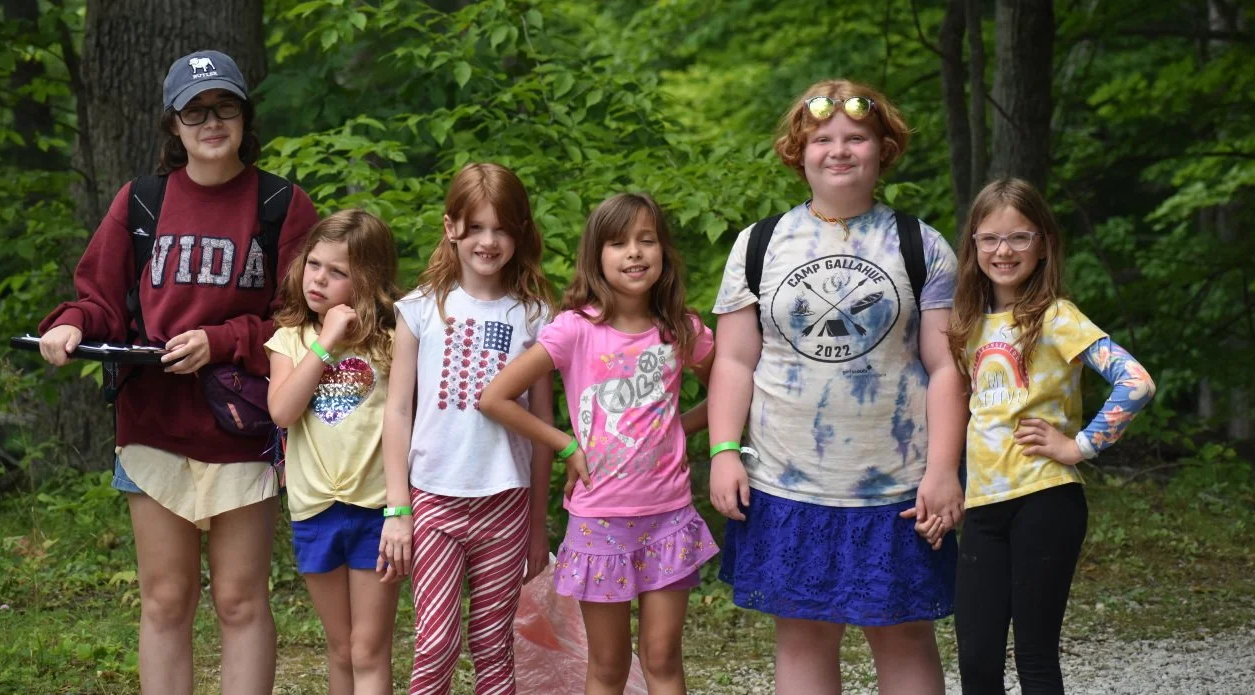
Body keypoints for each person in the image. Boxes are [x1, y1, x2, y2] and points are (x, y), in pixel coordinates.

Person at [37, 50, 319, 695]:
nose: (211, 122)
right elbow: (100, 299)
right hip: (153, 424)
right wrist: (72, 324)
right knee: (166, 599)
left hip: (242, 426)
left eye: (224, 107)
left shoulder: (281, 204)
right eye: (195, 111)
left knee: (241, 600)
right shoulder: (142, 201)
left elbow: (303, 319)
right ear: (173, 124)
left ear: (245, 117)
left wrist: (221, 341)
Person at [707, 80, 965, 695]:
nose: (839, 150)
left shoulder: (922, 245)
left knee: (904, 635)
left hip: (898, 486)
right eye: (822, 139)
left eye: (856, 138)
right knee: (802, 636)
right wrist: (723, 453)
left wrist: (942, 471)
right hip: (786, 482)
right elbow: (734, 362)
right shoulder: (759, 244)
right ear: (799, 152)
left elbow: (948, 368)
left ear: (884, 149)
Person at [479, 192, 718, 695]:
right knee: (608, 667)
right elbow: (495, 398)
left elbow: (730, 393)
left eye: (646, 240)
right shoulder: (574, 330)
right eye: (618, 243)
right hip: (599, 524)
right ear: (596, 256)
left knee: (663, 658)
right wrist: (565, 445)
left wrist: (678, 427)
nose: (634, 252)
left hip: (669, 517)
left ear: (663, 251)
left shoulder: (682, 329)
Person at [946, 178, 1155, 694]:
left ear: (1043, 245)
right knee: (976, 660)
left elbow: (1136, 382)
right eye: (990, 238)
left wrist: (1079, 446)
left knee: (1035, 656)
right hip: (982, 506)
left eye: (1019, 237)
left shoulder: (1057, 317)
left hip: (1045, 500)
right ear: (973, 245)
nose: (1003, 251)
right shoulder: (965, 323)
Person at [377, 162, 556, 695]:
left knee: (494, 644)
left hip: (506, 502)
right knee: (435, 644)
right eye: (475, 227)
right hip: (433, 500)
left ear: (520, 233)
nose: (488, 241)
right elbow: (397, 411)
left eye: (501, 228)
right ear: (450, 227)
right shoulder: (419, 310)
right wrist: (397, 508)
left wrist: (537, 526)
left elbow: (544, 427)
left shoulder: (536, 316)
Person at [265, 209, 403, 695]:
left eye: (337, 271)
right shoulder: (289, 340)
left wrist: (401, 508)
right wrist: (324, 342)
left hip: (376, 511)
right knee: (341, 647)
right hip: (314, 510)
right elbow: (283, 411)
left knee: (369, 649)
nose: (318, 279)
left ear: (368, 280)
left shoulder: (391, 343)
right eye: (314, 264)